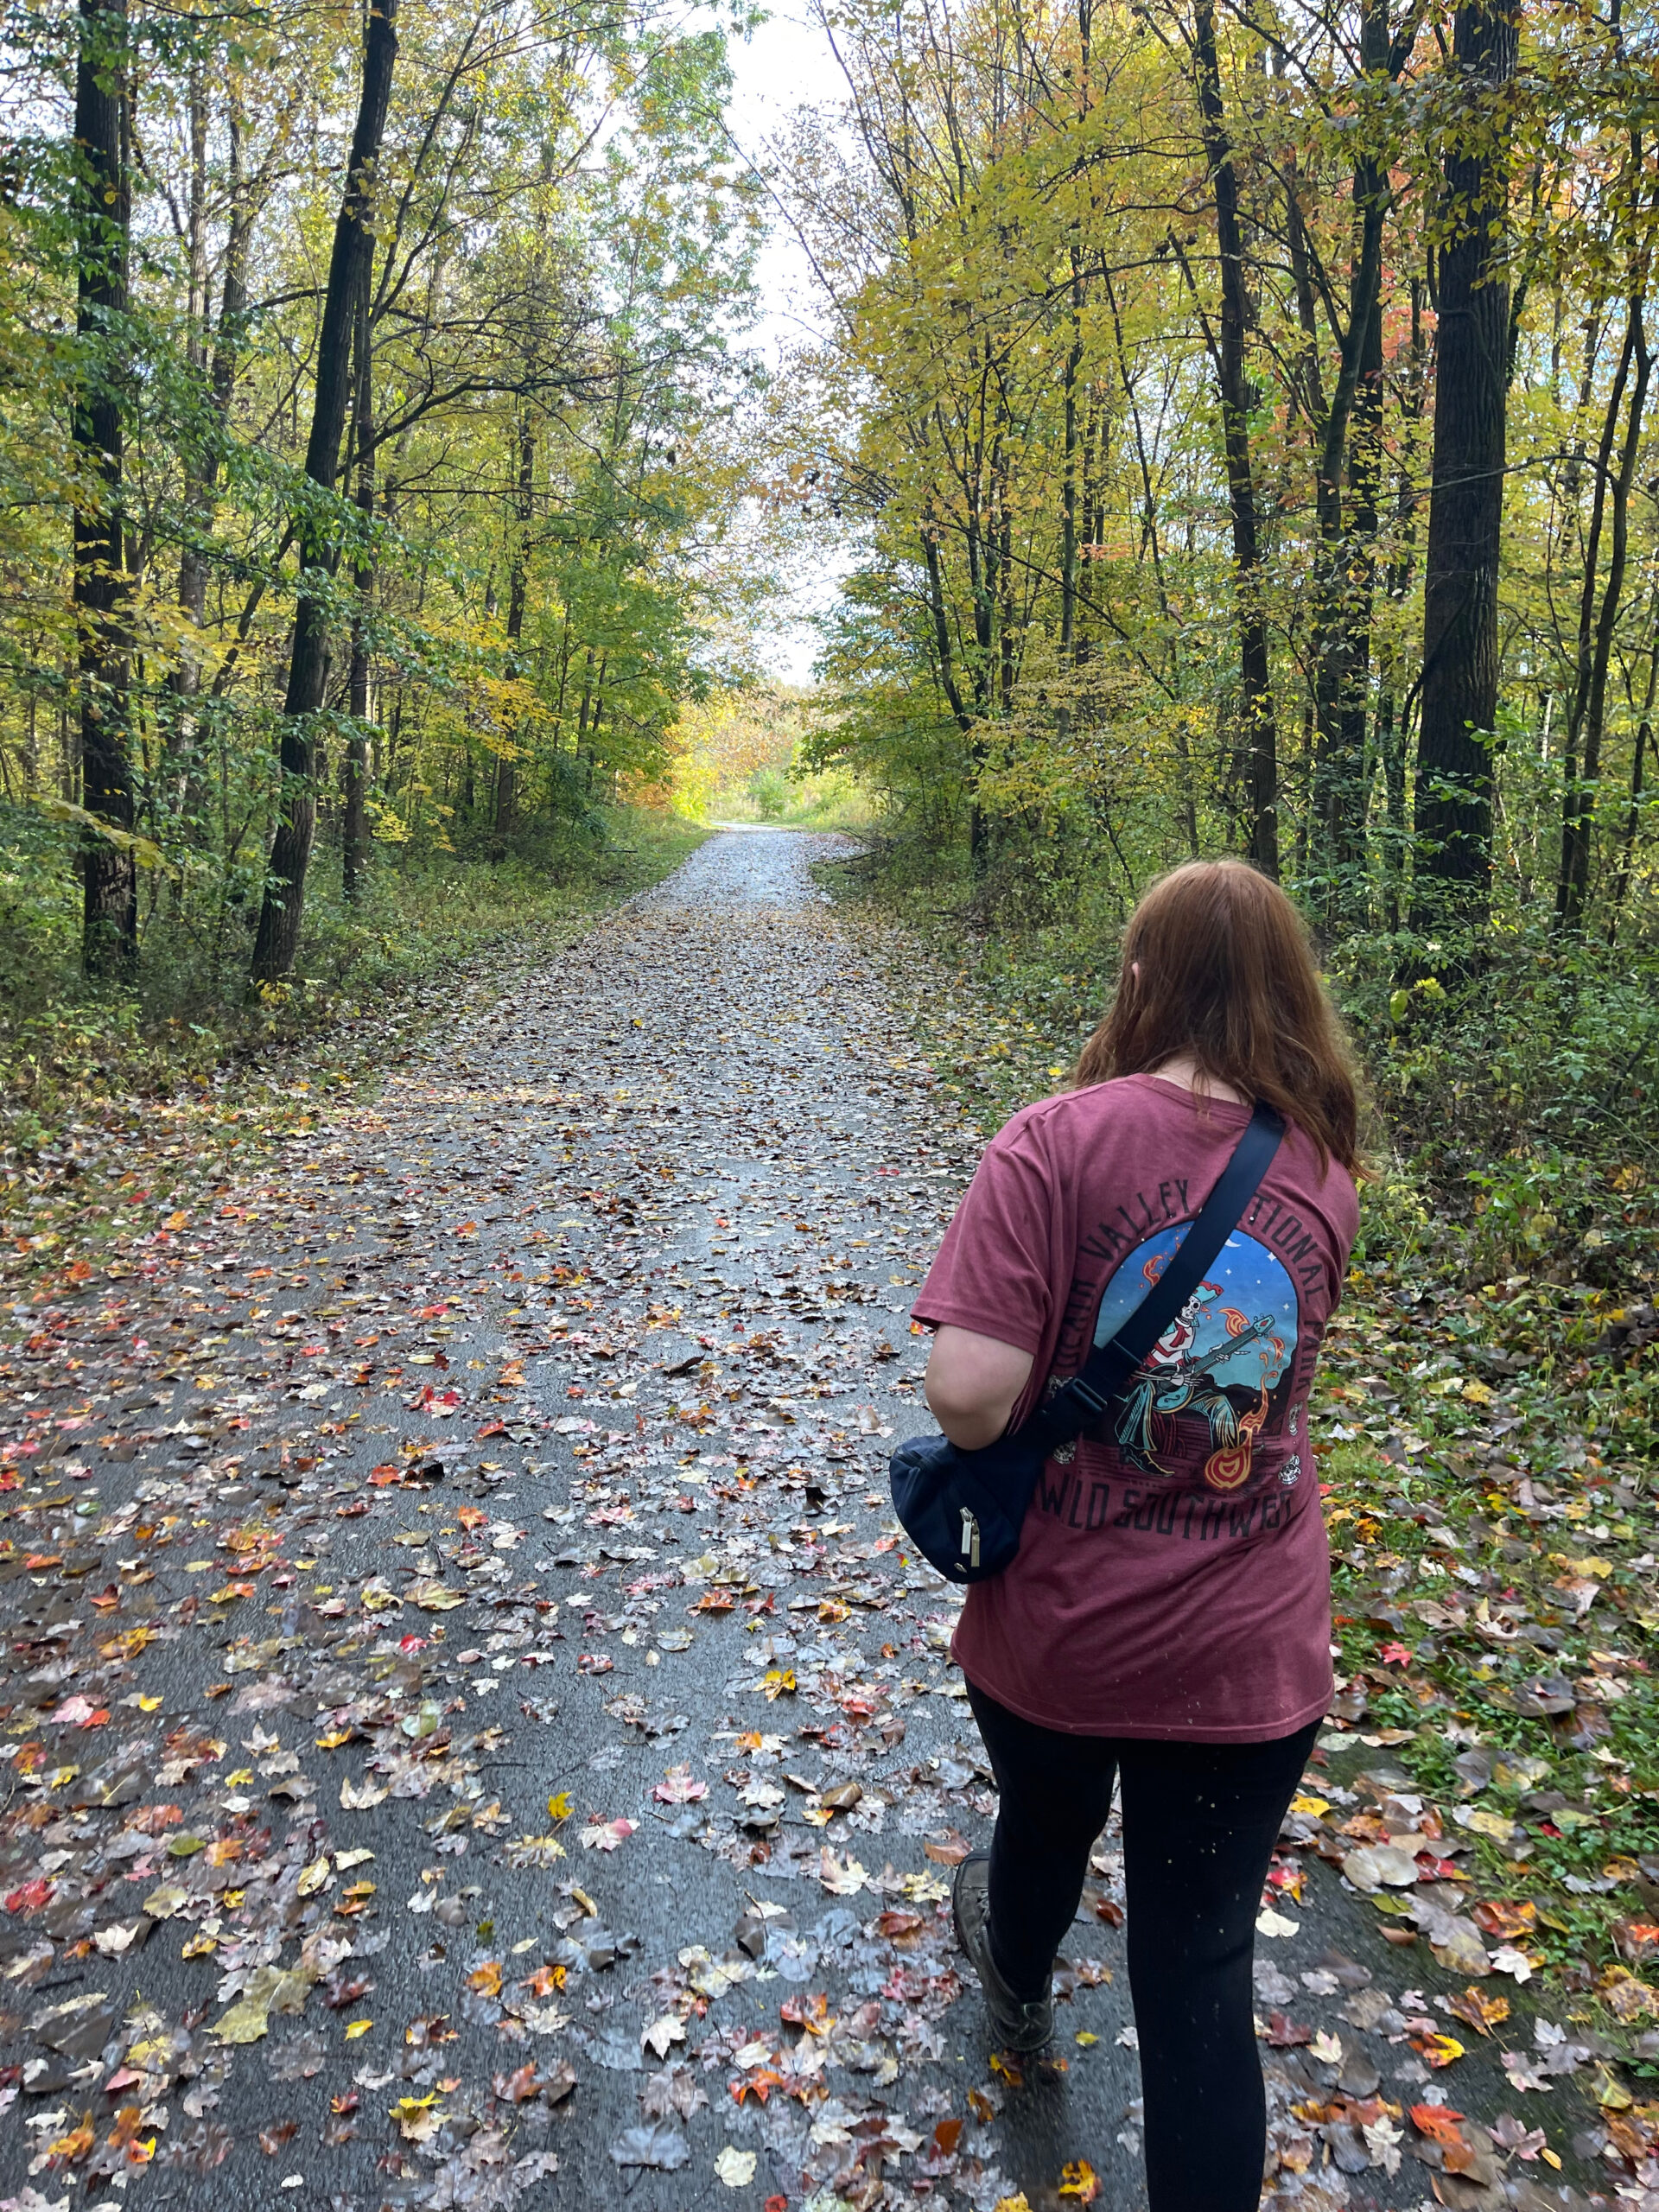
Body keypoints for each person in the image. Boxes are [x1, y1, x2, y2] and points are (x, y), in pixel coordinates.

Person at [912, 858, 1362, 2212]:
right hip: (1250, 1644)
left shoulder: (1053, 1140)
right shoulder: (1324, 1162)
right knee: (1199, 1974)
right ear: (1288, 991)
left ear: (1138, 978)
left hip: (1065, 1627)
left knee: (1045, 1826)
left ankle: (1016, 1987)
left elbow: (972, 1403)